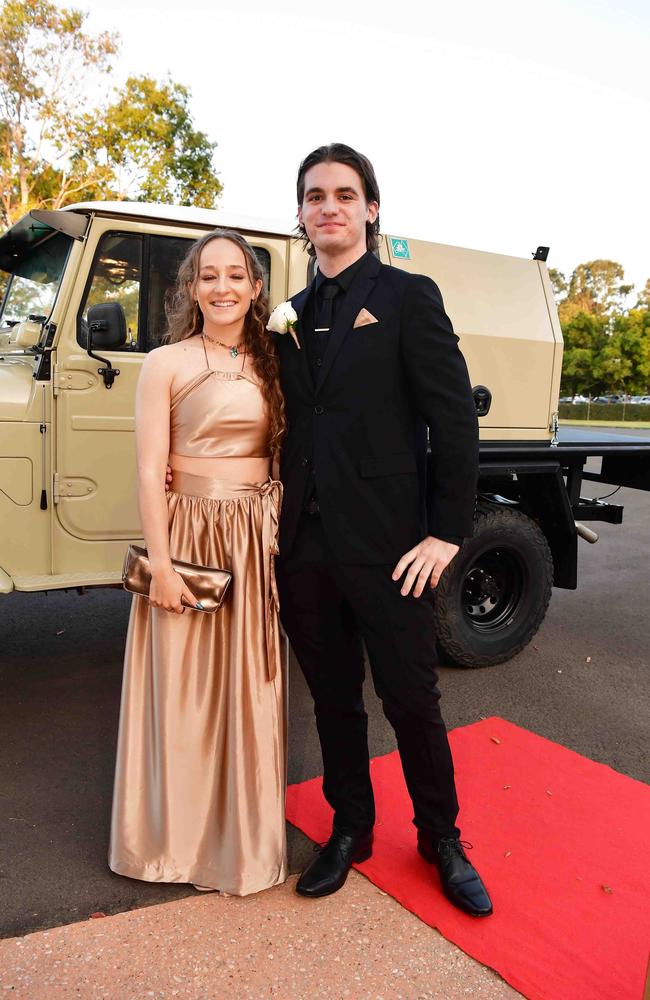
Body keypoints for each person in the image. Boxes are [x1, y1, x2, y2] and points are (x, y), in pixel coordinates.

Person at [274, 143, 493, 916]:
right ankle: (351, 830)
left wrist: (445, 533)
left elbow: (453, 417)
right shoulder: (289, 316)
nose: (328, 206)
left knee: (411, 699)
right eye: (313, 196)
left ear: (370, 208)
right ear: (300, 216)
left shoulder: (407, 295)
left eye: (343, 193)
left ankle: (441, 838)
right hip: (303, 547)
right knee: (333, 701)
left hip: (394, 548)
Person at [109, 230, 287, 896]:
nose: (222, 288)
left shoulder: (275, 359)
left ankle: (239, 841)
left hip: (254, 536)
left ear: (255, 286)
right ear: (190, 288)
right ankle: (172, 845)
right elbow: (150, 469)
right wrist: (160, 565)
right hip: (187, 534)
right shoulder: (166, 362)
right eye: (208, 276)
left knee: (249, 689)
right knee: (181, 691)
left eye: (235, 275)